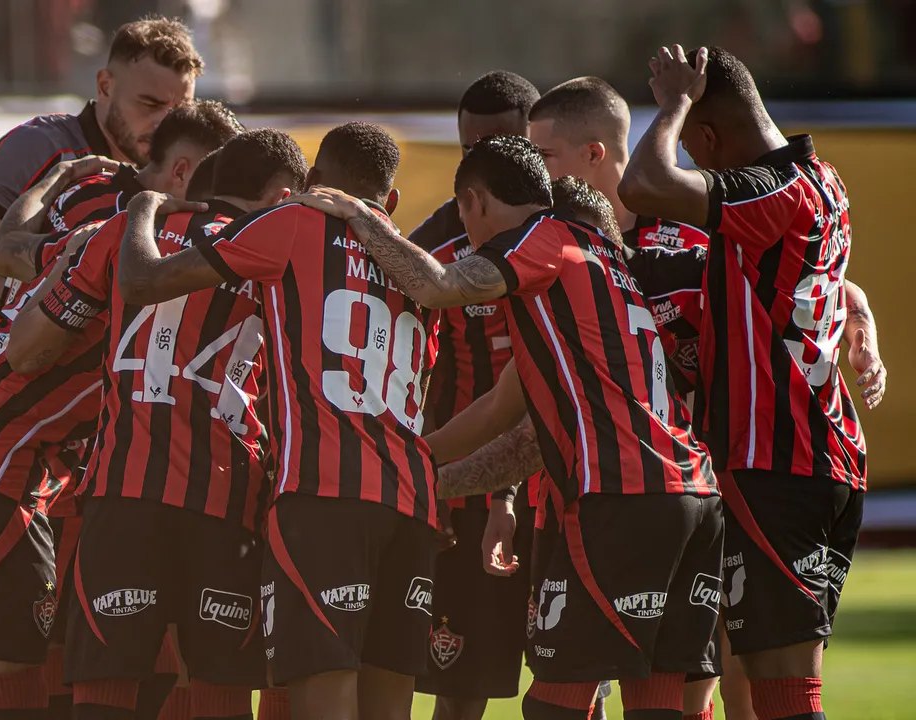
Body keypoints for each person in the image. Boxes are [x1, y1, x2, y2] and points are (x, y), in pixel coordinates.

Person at [290, 135, 722, 720]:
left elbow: (436, 286)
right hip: (692, 497)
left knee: (556, 702)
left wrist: (361, 218)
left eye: (462, 213)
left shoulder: (543, 239)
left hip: (620, 497)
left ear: (473, 201)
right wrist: (413, 471)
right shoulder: (600, 261)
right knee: (658, 702)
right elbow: (512, 425)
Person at [0, 101, 234, 720]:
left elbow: (4, 246)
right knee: (19, 691)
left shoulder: (91, 200)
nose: (227, 210)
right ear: (185, 172)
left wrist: (54, 183)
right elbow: (29, 351)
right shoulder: (148, 244)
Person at [116, 122, 439, 720]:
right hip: (413, 505)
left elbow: (143, 282)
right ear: (390, 200)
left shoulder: (295, 224)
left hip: (324, 496)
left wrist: (141, 211)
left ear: (312, 184)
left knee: (319, 699)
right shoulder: (418, 265)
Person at [5, 128, 308, 720]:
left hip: (124, 494)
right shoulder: (283, 252)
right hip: (226, 497)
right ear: (282, 192)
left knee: (106, 690)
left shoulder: (124, 232)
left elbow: (26, 350)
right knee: (218, 692)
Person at [619, 45, 872, 720]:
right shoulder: (825, 181)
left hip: (775, 463)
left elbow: (641, 186)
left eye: (695, 145)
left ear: (705, 135)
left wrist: (671, 103)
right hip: (826, 453)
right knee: (773, 684)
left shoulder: (769, 191)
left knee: (781, 693)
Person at [408, 69, 552, 720]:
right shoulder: (433, 250)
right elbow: (417, 377)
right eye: (469, 150)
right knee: (460, 688)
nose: (483, 165)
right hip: (467, 495)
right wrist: (431, 486)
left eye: (501, 145)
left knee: (573, 685)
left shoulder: (581, 236)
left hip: (570, 489)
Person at [0, 15, 201, 335]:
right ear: (105, 86)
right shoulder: (39, 145)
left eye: (178, 110)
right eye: (149, 104)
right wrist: (60, 310)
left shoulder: (182, 169)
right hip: (12, 380)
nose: (163, 124)